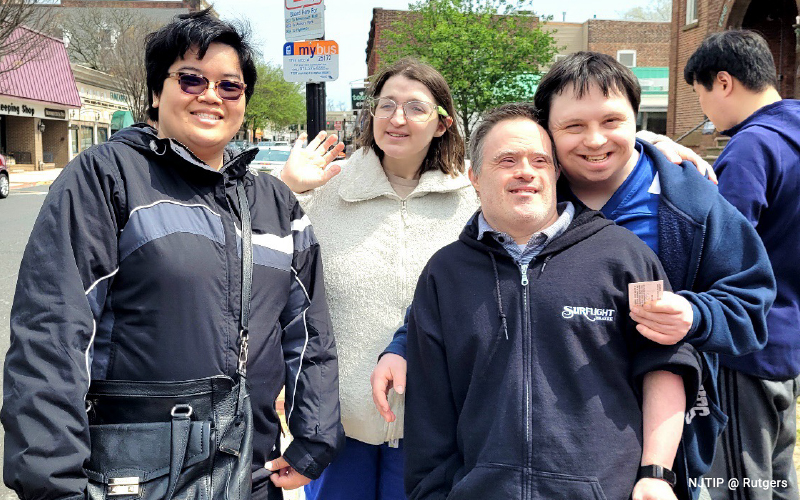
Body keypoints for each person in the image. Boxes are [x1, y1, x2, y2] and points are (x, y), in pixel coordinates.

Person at [375, 52, 776, 500]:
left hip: (652, 448)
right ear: (550, 134)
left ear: (634, 121)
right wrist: (403, 343)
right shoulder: (533, 191)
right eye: (573, 127)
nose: (595, 140)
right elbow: (467, 282)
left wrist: (694, 315)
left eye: (613, 121)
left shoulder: (688, 204)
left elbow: (752, 305)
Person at [1, 10, 343, 500]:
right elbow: (51, 334)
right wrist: (52, 483)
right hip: (132, 478)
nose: (211, 95)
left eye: (230, 86)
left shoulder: (275, 203)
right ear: (157, 93)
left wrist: (314, 438)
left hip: (248, 469)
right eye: (191, 79)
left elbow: (310, 332)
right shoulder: (108, 177)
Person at [405, 102, 702, 500]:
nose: (525, 171)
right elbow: (428, 407)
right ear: (474, 177)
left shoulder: (624, 257)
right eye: (506, 160)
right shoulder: (445, 273)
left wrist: (656, 473)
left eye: (539, 160)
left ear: (556, 172)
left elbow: (664, 363)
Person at [279, 58, 478, 500]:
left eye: (415, 107)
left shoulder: (472, 203)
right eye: (386, 104)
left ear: (443, 123)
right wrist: (287, 188)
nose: (398, 118)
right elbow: (261, 267)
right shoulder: (327, 188)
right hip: (336, 418)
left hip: (434, 422)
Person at [684, 30, 800, 500]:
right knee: (778, 478)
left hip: (743, 345)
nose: (705, 112)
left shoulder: (753, 147)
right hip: (788, 338)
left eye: (701, 95)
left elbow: (720, 249)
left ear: (724, 82)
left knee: (738, 481)